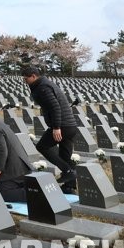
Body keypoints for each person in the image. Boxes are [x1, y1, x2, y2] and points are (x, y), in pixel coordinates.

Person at [23, 65, 79, 193]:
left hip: (63, 125)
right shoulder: (44, 84)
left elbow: (55, 107)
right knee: (65, 156)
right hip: (70, 126)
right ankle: (69, 187)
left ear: (33, 76)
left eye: (26, 79)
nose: (25, 82)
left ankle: (68, 171)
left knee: (42, 147)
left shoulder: (43, 87)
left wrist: (56, 127)